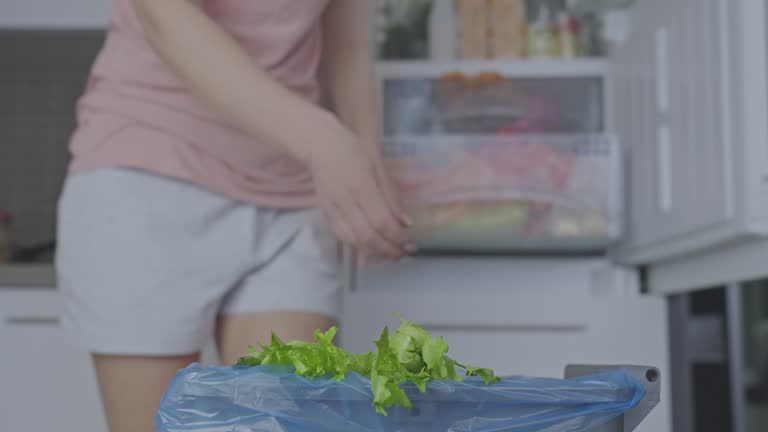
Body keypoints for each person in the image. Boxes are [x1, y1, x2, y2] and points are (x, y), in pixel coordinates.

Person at [55, 1, 411, 431]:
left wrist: (367, 165)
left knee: (284, 422)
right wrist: (324, 142)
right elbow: (163, 16)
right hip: (148, 174)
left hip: (288, 193)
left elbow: (349, 45)